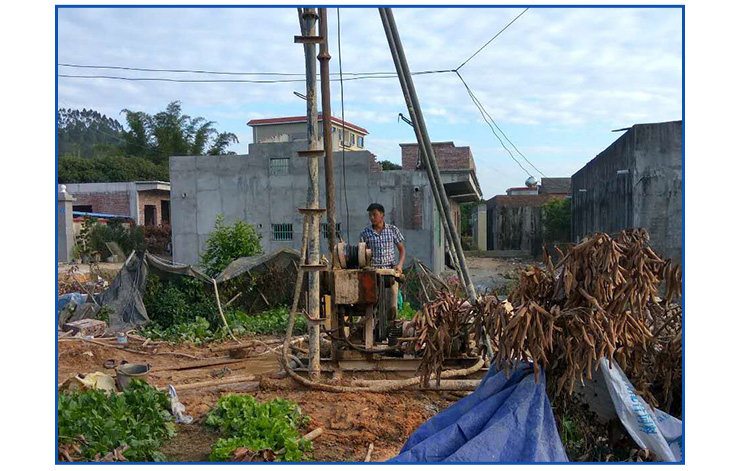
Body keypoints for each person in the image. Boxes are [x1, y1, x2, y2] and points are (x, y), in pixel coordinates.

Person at [359, 203, 406, 274]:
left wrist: (399, 266)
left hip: (390, 271)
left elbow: (402, 250)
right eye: (370, 215)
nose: (372, 217)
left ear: (382, 216)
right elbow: (361, 254)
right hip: (373, 272)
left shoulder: (393, 230)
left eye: (374, 214)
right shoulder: (365, 233)